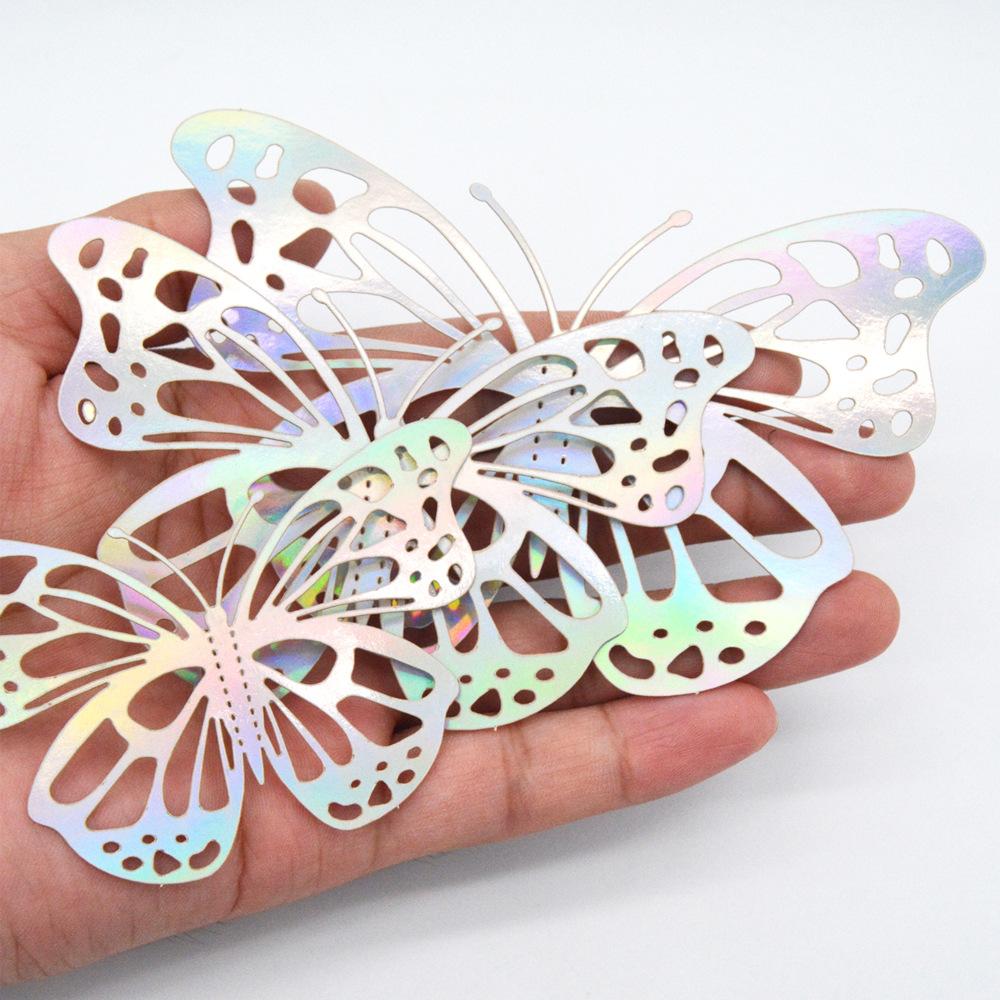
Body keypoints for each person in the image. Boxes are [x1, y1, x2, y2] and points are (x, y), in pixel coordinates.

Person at [0, 190, 909, 984]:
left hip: (382, 565)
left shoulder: (322, 517)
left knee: (539, 581)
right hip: (328, 586)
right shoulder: (287, 516)